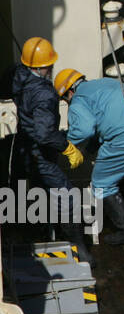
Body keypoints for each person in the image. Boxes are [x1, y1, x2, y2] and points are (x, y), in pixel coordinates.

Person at [55, 69, 124, 248]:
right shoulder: (105, 82)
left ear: (69, 92)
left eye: (65, 99)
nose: (67, 102)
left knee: (102, 184)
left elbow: (84, 130)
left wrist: (66, 145)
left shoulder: (78, 101)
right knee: (118, 167)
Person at [2, 38, 88, 260]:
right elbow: (44, 133)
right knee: (67, 195)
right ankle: (78, 247)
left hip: (23, 145)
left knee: (31, 188)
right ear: (43, 67)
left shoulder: (16, 74)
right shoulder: (45, 95)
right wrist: (67, 147)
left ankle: (35, 232)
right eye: (50, 65)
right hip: (40, 151)